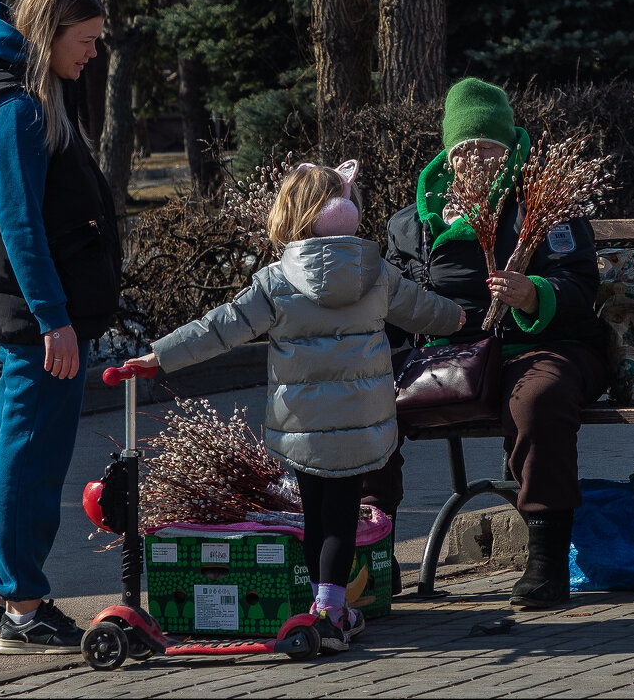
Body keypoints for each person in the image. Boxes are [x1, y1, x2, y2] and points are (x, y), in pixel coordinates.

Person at [122, 161, 464, 651]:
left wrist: (162, 356)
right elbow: (428, 309)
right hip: (362, 423)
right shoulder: (377, 272)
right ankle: (331, 610)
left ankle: (323, 608)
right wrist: (460, 317)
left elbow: (223, 325)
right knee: (344, 517)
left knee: (316, 516)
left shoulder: (275, 280)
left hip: (302, 425)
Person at [364, 77, 609, 609]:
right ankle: (373, 552)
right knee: (365, 399)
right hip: (449, 356)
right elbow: (393, 302)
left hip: (539, 346)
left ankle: (545, 557)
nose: (477, 157)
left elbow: (581, 289)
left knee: (539, 397)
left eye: (489, 146)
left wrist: (532, 293)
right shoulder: (411, 224)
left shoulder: (544, 206)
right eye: (464, 148)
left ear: (511, 148)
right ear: (448, 156)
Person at [0, 0, 120, 654]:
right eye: (86, 39)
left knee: (11, 451)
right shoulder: (16, 108)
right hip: (38, 316)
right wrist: (54, 317)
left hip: (30, 311)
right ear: (50, 35)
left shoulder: (19, 95)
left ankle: (8, 597)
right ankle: (22, 605)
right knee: (29, 457)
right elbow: (20, 224)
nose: (94, 52)